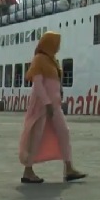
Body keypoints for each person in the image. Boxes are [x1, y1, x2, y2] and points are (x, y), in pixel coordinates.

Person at [18, 31, 87, 184]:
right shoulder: (39, 59)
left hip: (54, 105)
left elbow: (54, 82)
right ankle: (28, 171)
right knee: (36, 136)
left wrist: (58, 94)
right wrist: (47, 103)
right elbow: (38, 85)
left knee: (64, 132)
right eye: (56, 43)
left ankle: (69, 168)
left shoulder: (53, 61)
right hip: (42, 105)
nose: (58, 47)